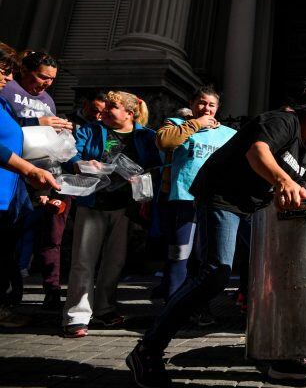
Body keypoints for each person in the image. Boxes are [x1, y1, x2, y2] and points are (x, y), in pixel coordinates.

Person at [127, 83, 306, 387]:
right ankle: (147, 350)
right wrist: (284, 182)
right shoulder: (283, 121)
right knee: (216, 272)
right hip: (222, 196)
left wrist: (304, 196)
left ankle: (278, 354)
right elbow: (258, 153)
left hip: (254, 208)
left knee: (275, 275)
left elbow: (291, 185)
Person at [62, 91, 161, 338]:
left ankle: (105, 308)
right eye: (106, 106)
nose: (105, 110)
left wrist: (143, 180)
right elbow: (71, 152)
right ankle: (77, 315)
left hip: (125, 206)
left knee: (114, 261)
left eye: (112, 107)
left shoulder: (146, 136)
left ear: (130, 113)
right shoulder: (90, 130)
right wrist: (80, 163)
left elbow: (156, 166)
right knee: (83, 260)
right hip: (93, 201)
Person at [154, 85, 236, 311]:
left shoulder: (228, 134)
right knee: (179, 254)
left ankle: (200, 308)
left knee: (206, 259)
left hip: (214, 203)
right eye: (201, 102)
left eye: (211, 104)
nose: (206, 108)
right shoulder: (176, 124)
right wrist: (196, 123)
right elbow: (165, 142)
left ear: (218, 108)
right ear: (191, 104)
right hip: (185, 200)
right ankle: (172, 308)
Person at [0, 43, 59, 327]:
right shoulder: (8, 95)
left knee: (9, 241)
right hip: (12, 173)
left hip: (18, 182)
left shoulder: (44, 98)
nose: (46, 84)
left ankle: (7, 304)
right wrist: (37, 120)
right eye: (42, 77)